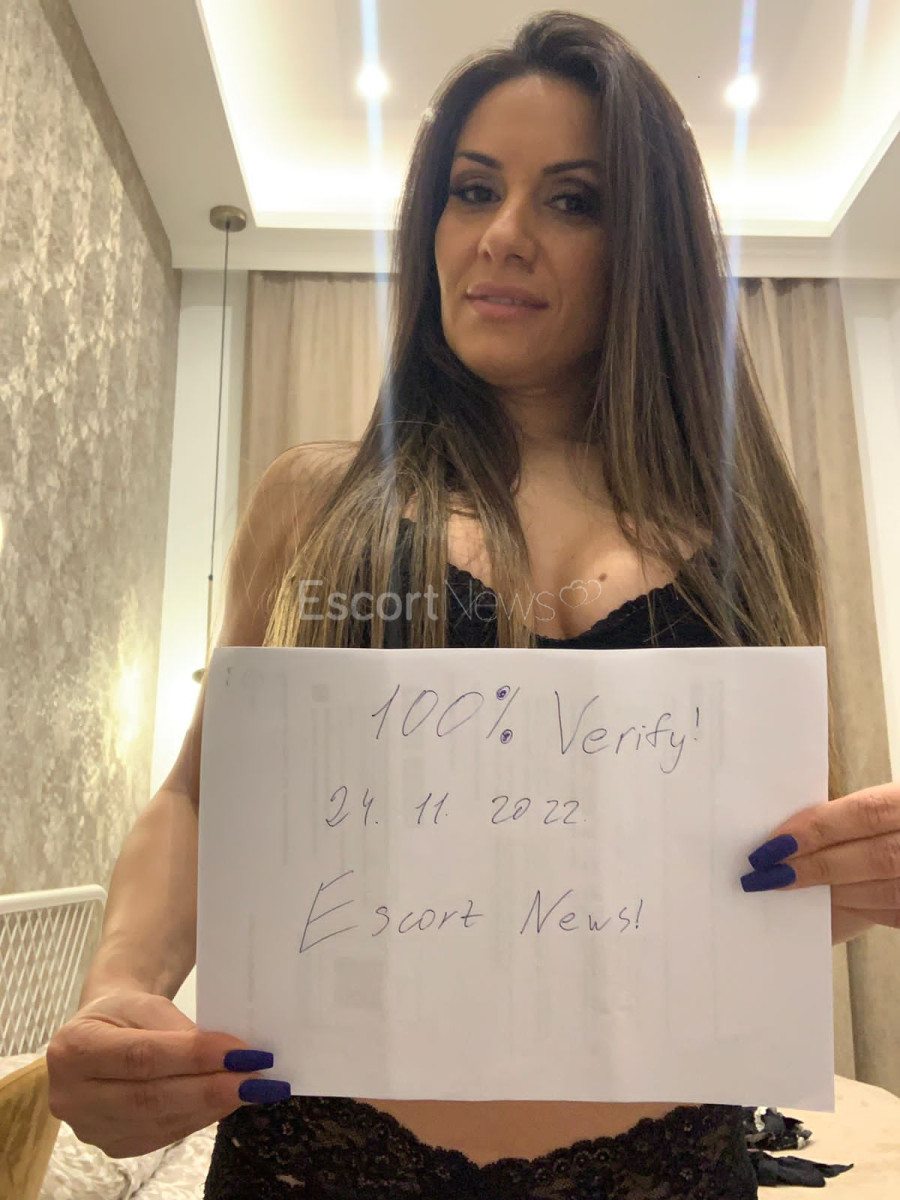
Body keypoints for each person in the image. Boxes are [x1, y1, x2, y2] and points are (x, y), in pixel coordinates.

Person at [47, 9, 898, 1199]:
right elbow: (200, 793)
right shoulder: (315, 506)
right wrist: (117, 989)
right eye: (473, 190)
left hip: (663, 1170)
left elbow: (781, 876)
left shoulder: (743, 541)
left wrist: (866, 875)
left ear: (647, 246)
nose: (501, 235)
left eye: (572, 200)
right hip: (318, 1164)